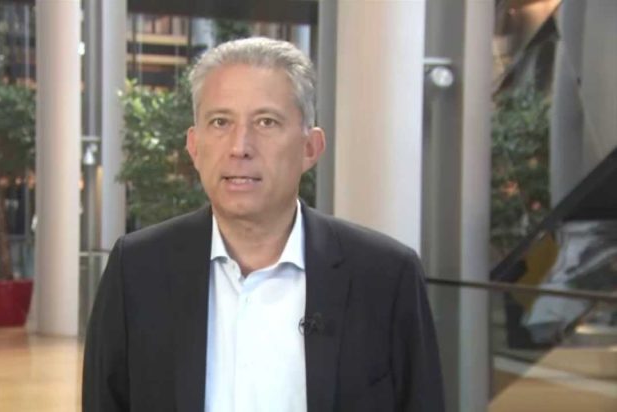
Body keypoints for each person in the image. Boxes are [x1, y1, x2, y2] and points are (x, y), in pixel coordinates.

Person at [82, 37, 444, 412]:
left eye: (266, 122)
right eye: (220, 122)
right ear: (194, 146)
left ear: (310, 147)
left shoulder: (386, 276)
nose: (240, 146)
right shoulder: (137, 270)